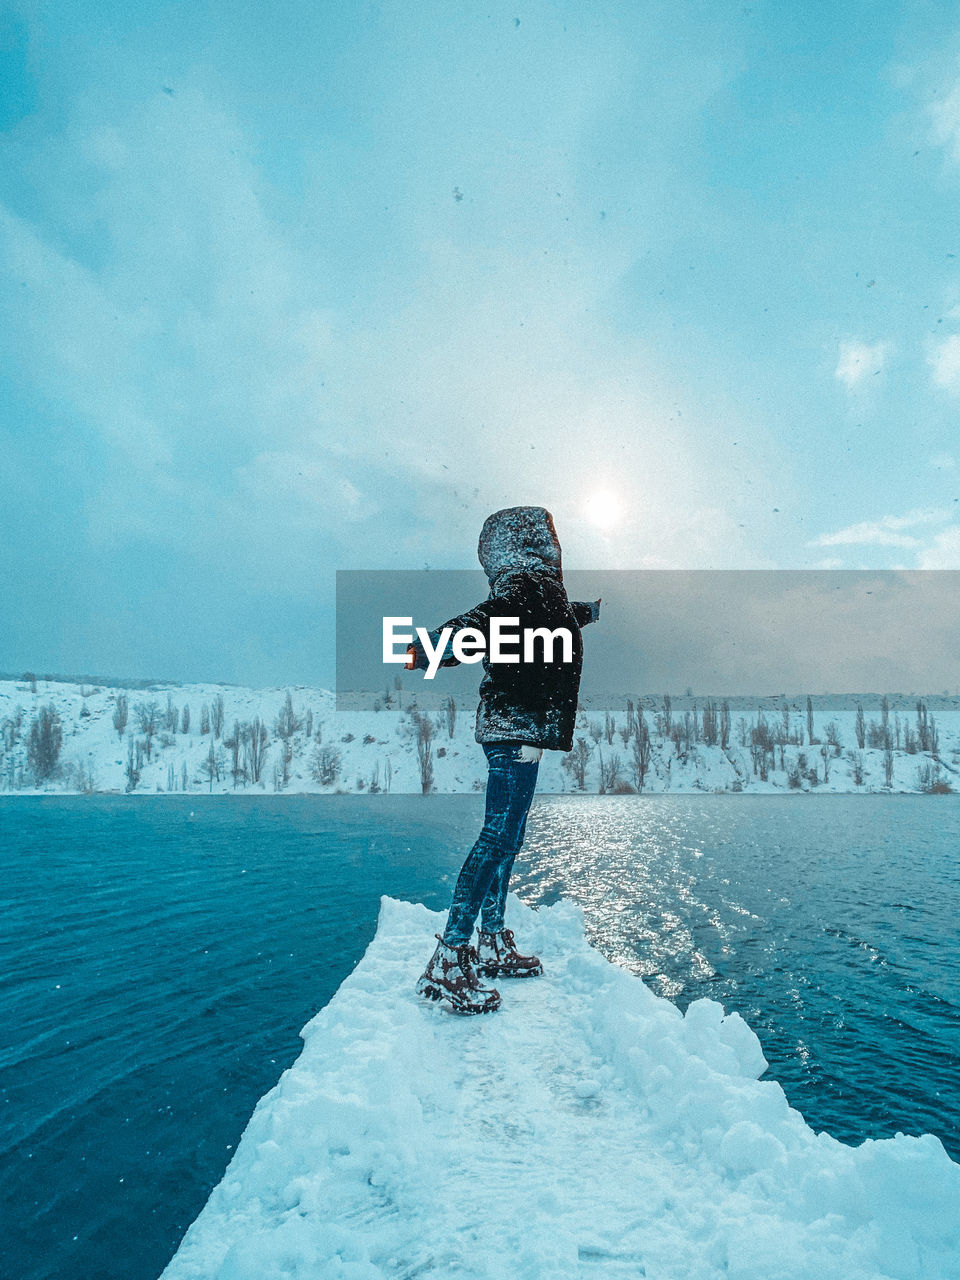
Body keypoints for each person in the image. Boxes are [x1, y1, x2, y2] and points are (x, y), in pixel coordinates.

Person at [404, 505, 600, 1014]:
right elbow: (481, 625)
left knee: (507, 838)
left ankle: (490, 939)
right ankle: (450, 957)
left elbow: (551, 617)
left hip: (526, 730)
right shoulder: (525, 599)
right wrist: (427, 648)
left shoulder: (543, 601)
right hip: (514, 729)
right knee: (497, 837)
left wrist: (586, 611)